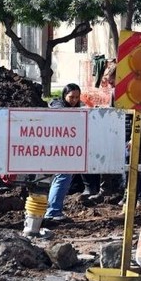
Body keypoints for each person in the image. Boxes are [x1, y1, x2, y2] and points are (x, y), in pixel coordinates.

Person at [44, 82, 99, 222]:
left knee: (62, 178)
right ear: (64, 95)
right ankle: (53, 211)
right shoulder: (58, 105)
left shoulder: (77, 109)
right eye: (71, 97)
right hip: (58, 150)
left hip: (68, 150)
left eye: (76, 97)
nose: (74, 100)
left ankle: (53, 209)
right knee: (62, 177)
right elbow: (57, 109)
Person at [122, 112, 141, 212]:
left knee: (131, 170)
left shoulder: (140, 100)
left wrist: (133, 138)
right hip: (128, 137)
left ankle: (131, 203)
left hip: (133, 139)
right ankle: (139, 200)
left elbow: (140, 118)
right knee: (130, 170)